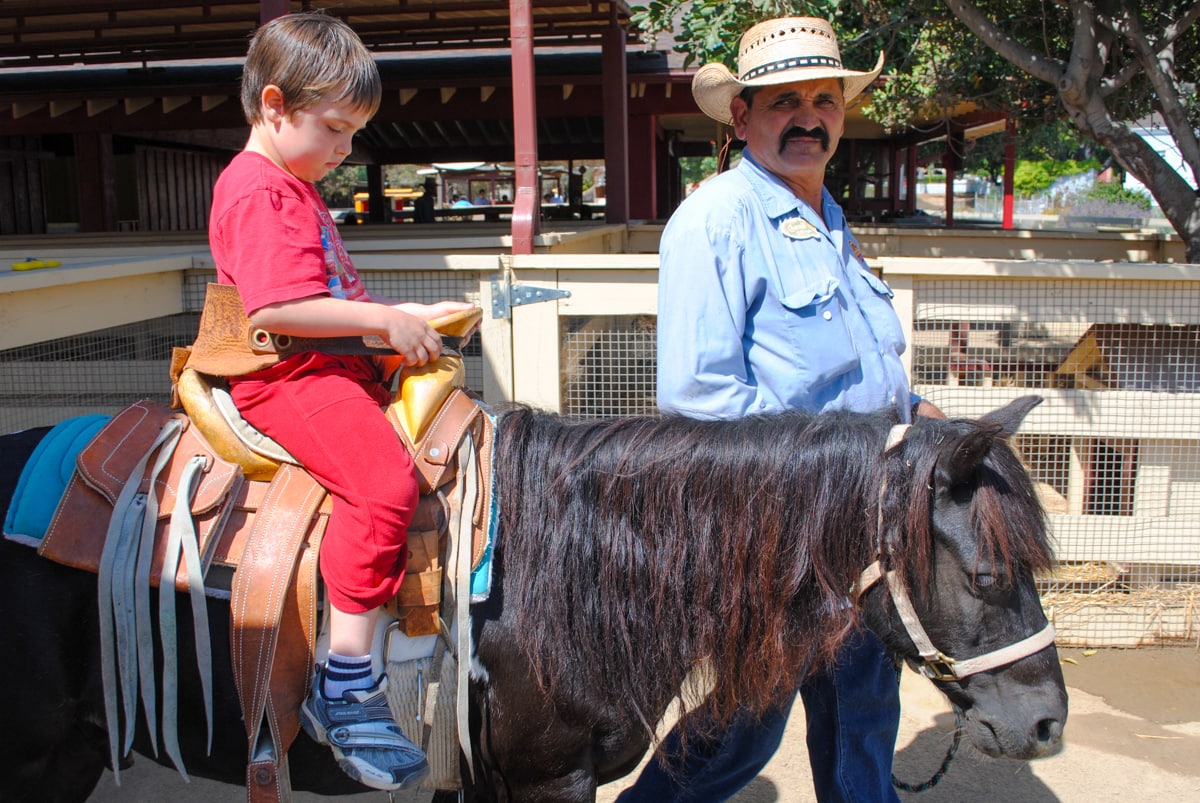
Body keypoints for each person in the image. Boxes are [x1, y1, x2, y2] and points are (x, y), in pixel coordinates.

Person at [618, 17, 942, 803]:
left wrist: (921, 411)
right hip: (779, 525)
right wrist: (836, 468)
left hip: (867, 519)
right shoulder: (716, 220)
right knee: (743, 728)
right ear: (742, 117)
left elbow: (868, 367)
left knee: (865, 706)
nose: (809, 117)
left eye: (824, 100)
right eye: (784, 101)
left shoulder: (829, 218)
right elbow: (699, 393)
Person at [206, 11, 475, 791]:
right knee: (385, 483)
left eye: (354, 133)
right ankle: (346, 678)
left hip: (330, 363)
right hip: (289, 377)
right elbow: (276, 309)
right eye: (334, 128)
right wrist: (383, 321)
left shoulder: (291, 181)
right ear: (276, 105)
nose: (345, 149)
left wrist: (403, 322)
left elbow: (324, 296)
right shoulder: (258, 189)